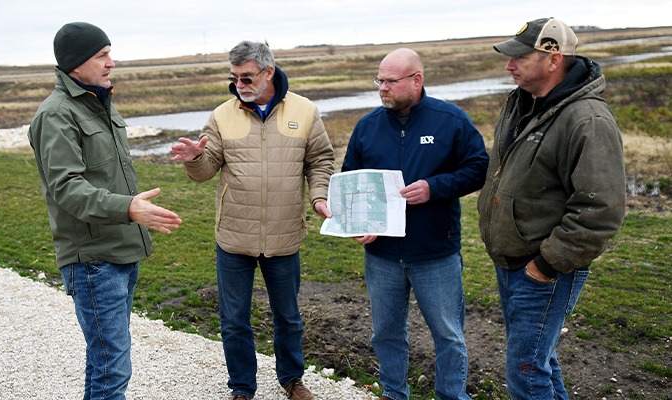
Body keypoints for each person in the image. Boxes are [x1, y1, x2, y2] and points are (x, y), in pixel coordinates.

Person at [169, 40, 334, 400]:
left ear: (269, 72)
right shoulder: (221, 115)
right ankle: (242, 388)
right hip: (233, 238)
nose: (239, 84)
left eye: (247, 77)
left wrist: (319, 195)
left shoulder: (305, 111)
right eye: (234, 77)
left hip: (285, 235)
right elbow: (204, 171)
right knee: (233, 322)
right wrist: (195, 158)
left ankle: (292, 379)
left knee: (289, 318)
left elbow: (320, 160)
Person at [27, 22, 182, 400]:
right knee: (113, 366)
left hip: (121, 250)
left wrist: (130, 213)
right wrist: (129, 208)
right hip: (94, 260)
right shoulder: (57, 115)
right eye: (102, 55)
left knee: (106, 363)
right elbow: (68, 188)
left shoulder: (98, 103)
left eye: (109, 53)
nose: (112, 62)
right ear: (76, 63)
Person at [477, 18, 626, 399]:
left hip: (543, 269)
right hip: (512, 262)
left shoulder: (587, 119)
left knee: (526, 376)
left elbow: (600, 209)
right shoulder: (522, 102)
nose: (509, 65)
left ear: (553, 58)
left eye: (520, 57)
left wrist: (544, 266)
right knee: (538, 363)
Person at [341, 48, 489, 400]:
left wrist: (434, 188)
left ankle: (451, 396)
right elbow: (351, 177)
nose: (382, 88)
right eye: (379, 80)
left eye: (391, 81)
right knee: (386, 333)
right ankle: (394, 393)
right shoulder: (367, 126)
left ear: (417, 80)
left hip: (435, 252)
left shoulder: (450, 120)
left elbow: (479, 168)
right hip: (382, 255)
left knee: (448, 335)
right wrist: (362, 220)